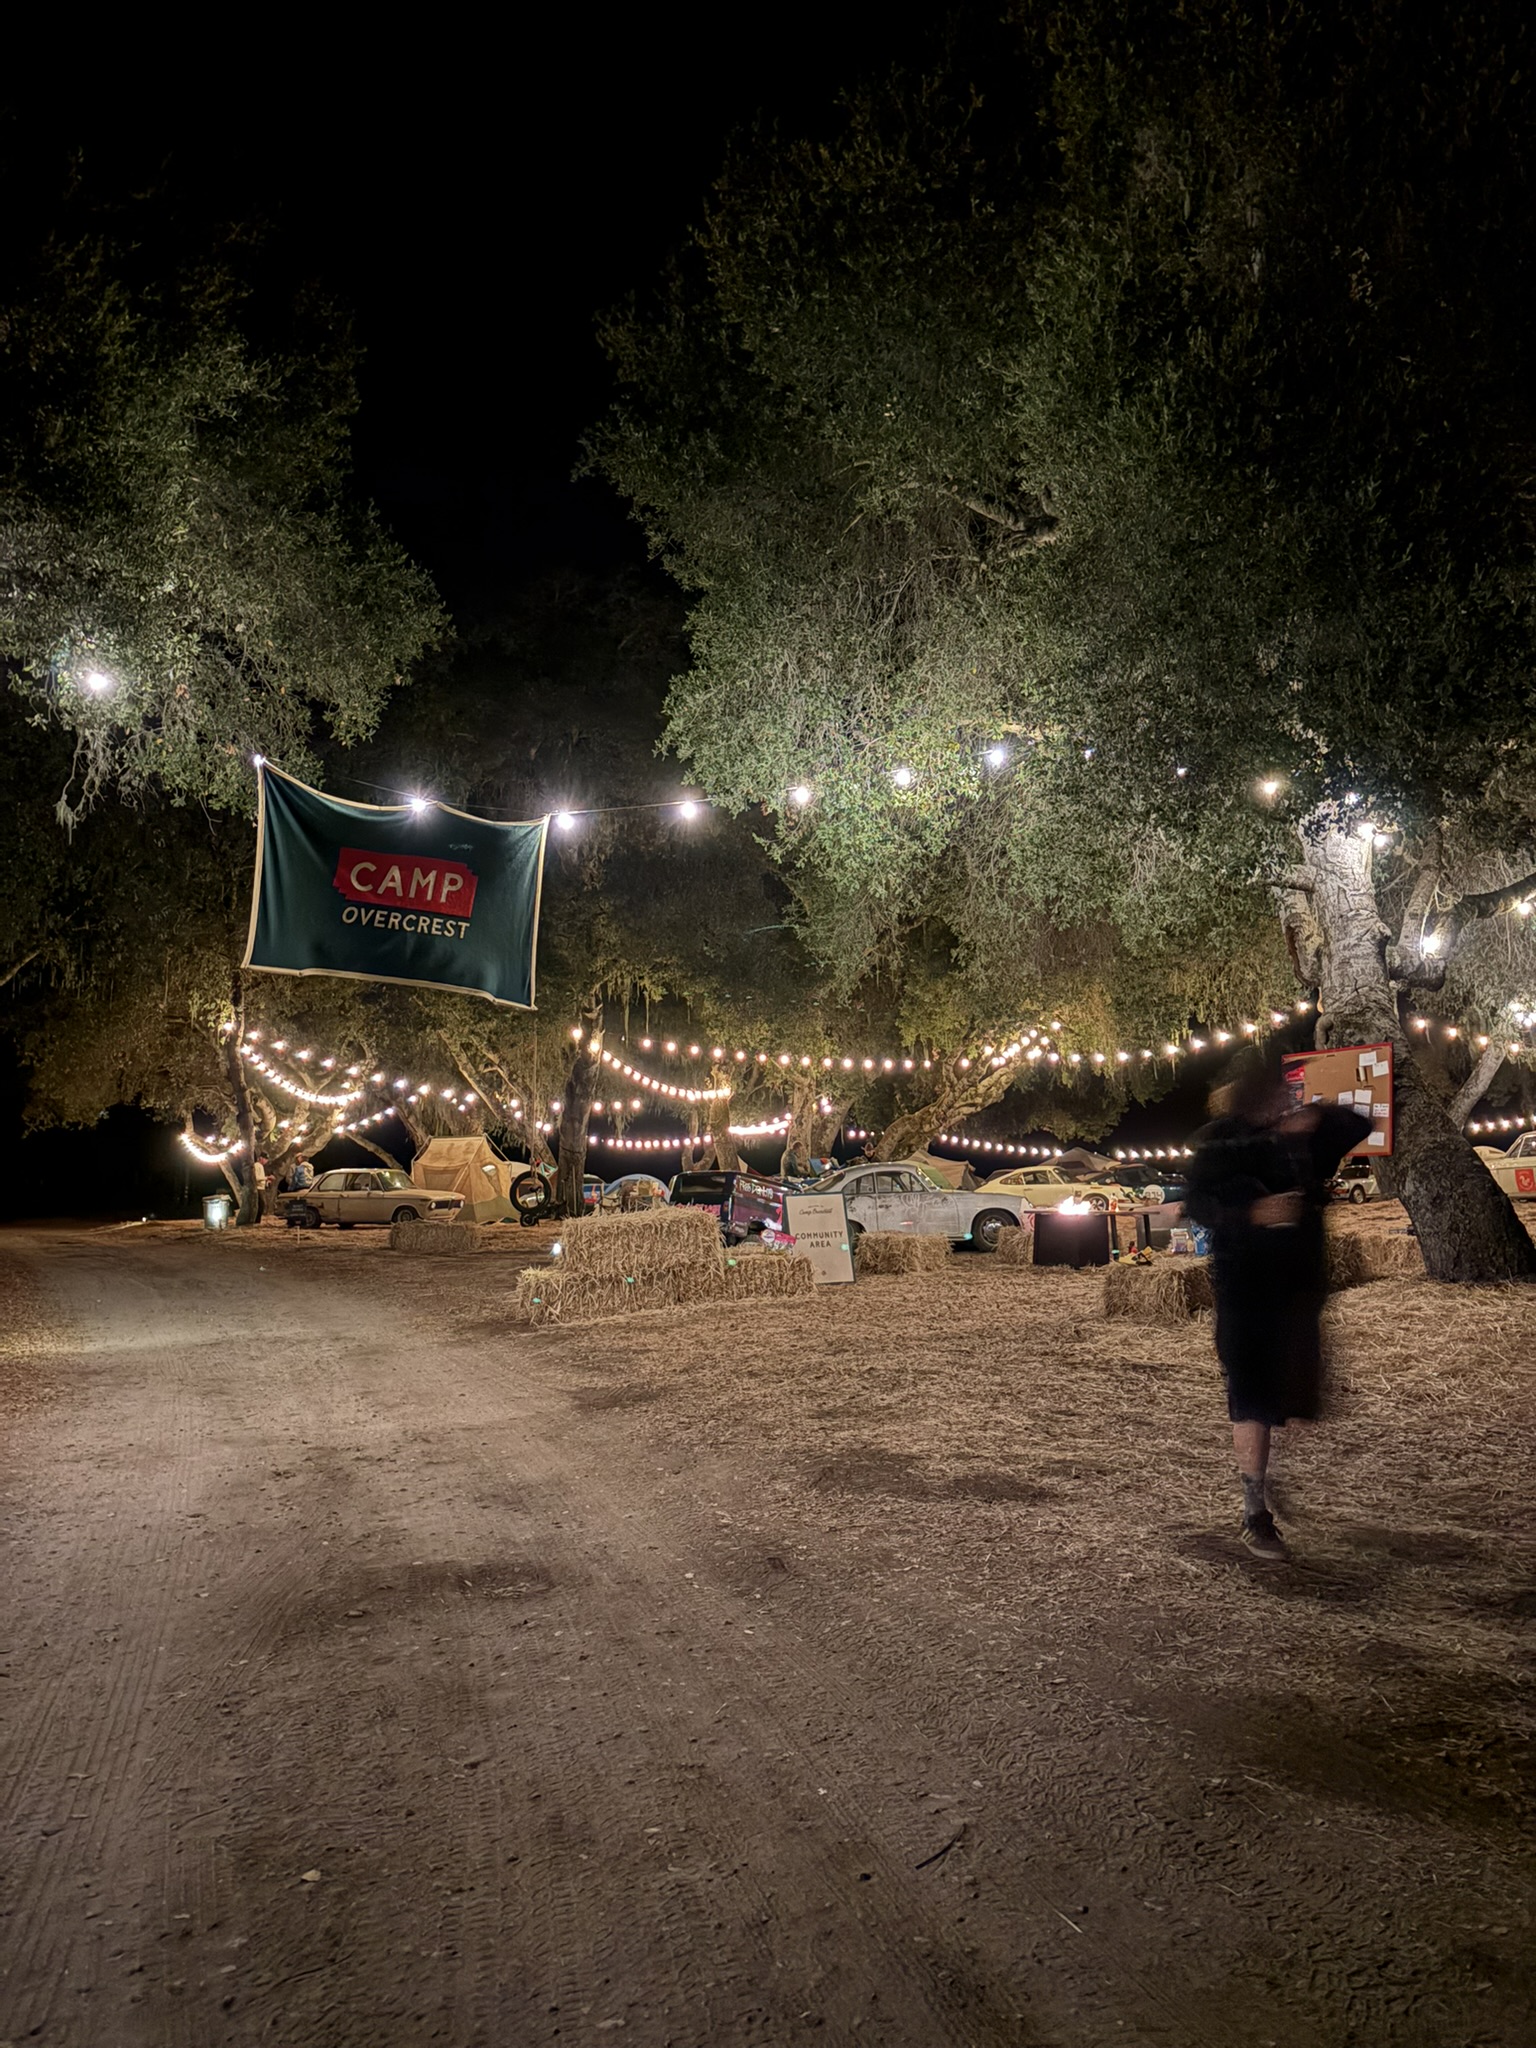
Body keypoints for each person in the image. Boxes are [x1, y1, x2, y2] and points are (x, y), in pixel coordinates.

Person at [1184, 1057, 1370, 1560]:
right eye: (1273, 1093)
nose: (1283, 1100)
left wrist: (1316, 1116)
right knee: (1252, 1399)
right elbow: (1197, 1203)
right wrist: (1252, 1212)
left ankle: (1268, 1476)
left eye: (1286, 1092)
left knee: (1297, 1397)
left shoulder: (1302, 1135)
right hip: (1245, 1291)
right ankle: (1255, 1511)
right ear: (1250, 1097)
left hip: (1298, 1292)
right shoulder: (1224, 1141)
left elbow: (1360, 1124)